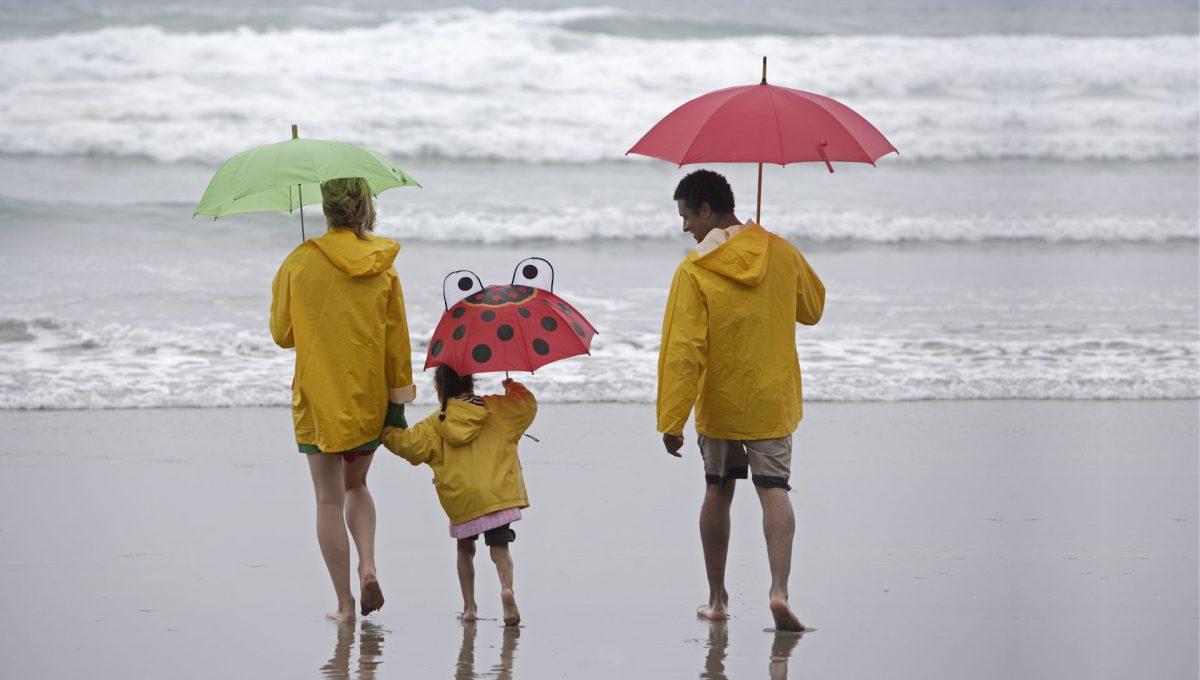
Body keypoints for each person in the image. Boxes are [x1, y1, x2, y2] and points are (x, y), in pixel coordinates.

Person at [657, 169, 825, 632]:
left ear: (706, 210)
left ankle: (716, 599)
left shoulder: (694, 269)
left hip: (721, 401)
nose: (685, 227)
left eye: (686, 216)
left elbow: (683, 349)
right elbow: (812, 309)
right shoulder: (780, 250)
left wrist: (671, 418)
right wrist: (772, 260)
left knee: (718, 490)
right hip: (771, 398)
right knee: (774, 490)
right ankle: (779, 592)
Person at [270, 176, 416, 622]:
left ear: (326, 209)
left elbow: (282, 335)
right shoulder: (383, 264)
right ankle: (368, 565)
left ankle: (345, 604)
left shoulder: (299, 261)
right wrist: (399, 399)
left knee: (328, 499)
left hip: (319, 397)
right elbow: (397, 341)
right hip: (368, 399)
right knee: (357, 486)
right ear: (365, 208)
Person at [382, 367, 536, 626]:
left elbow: (407, 445)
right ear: (471, 383)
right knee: (500, 547)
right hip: (498, 492)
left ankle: (469, 608)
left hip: (462, 499)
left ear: (439, 389)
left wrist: (386, 428)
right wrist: (513, 386)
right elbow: (527, 405)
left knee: (465, 550)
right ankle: (506, 589)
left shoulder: (435, 423)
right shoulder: (498, 408)